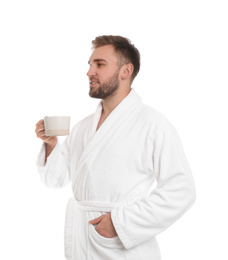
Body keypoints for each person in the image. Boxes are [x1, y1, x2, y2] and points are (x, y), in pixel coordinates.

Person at [35, 35, 196, 260]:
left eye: (99, 64)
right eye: (90, 65)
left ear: (126, 71)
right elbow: (55, 179)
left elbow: (182, 190)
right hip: (82, 244)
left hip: (122, 247)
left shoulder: (153, 124)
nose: (89, 72)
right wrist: (51, 144)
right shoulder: (83, 127)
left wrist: (120, 223)